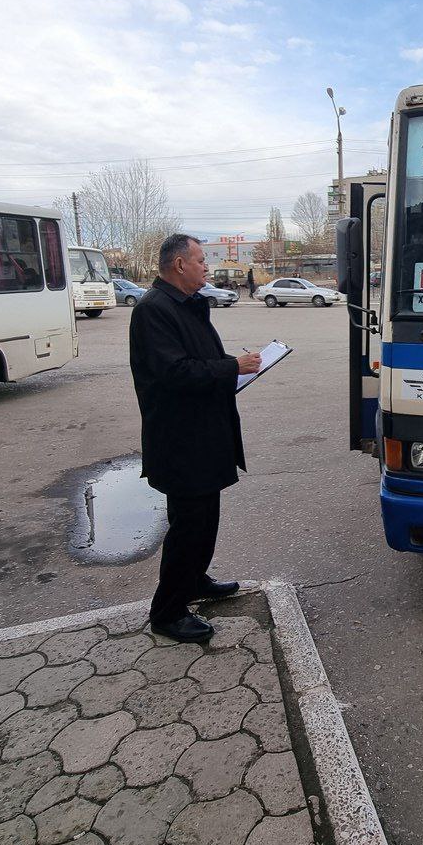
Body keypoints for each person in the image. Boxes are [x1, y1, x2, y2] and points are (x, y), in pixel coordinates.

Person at [129, 233, 262, 642]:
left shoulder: (188, 304)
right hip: (181, 440)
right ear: (179, 265)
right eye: (201, 261)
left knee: (205, 521)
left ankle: (193, 581)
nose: (207, 267)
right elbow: (175, 373)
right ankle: (167, 611)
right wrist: (231, 368)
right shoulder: (154, 310)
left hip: (204, 433)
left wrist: (234, 365)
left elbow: (201, 361)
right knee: (189, 525)